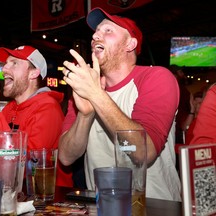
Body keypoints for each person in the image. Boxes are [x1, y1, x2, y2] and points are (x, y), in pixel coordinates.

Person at [58, 7, 181, 201]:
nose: (96, 35)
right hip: (101, 206)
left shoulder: (156, 77)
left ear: (130, 44)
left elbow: (143, 152)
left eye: (108, 30)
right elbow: (66, 156)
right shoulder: (86, 88)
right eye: (96, 32)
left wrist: (96, 95)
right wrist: (85, 115)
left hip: (154, 207)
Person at [0, 45, 73, 187]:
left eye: (14, 63)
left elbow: (25, 167)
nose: (4, 69)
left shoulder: (48, 108)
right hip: (16, 194)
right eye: (6, 64)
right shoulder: (10, 108)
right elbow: (4, 156)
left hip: (49, 198)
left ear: (33, 73)